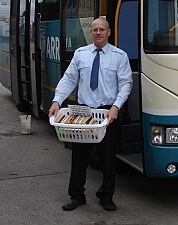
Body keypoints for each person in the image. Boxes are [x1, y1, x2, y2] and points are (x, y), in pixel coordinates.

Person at [48, 18, 133, 212]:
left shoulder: (119, 56)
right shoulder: (81, 54)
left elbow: (126, 84)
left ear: (108, 32)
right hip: (83, 113)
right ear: (91, 33)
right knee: (79, 157)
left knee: (108, 159)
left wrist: (116, 107)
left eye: (101, 29)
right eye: (94, 29)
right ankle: (76, 196)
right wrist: (56, 101)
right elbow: (69, 79)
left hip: (107, 113)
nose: (97, 32)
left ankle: (106, 196)